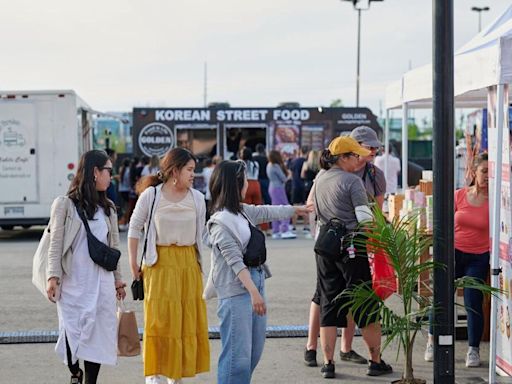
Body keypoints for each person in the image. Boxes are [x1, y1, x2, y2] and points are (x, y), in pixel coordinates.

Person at [203, 160, 311, 384]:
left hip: (256, 279)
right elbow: (234, 260)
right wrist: (253, 292)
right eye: (244, 180)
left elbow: (267, 211)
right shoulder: (220, 221)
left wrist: (298, 209)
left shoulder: (242, 212)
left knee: (253, 352)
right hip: (237, 289)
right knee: (236, 356)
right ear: (235, 184)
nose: (248, 185)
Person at [309, 136, 392, 379]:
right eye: (355, 155)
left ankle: (328, 362)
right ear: (343, 157)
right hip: (352, 248)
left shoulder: (319, 179)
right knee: (365, 304)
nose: (359, 159)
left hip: (325, 247)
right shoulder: (352, 182)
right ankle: (375, 361)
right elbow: (366, 221)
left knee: (329, 303)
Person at [127, 148, 210, 384]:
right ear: (175, 170)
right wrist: (133, 263)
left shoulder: (197, 198)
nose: (194, 174)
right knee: (159, 320)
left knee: (184, 321)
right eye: (190, 170)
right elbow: (134, 228)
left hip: (188, 265)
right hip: (158, 264)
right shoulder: (151, 195)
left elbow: (202, 235)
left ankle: (177, 376)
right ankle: (155, 376)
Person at [46, 149, 127, 384]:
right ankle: (75, 371)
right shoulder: (64, 205)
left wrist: (118, 280)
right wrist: (53, 277)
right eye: (108, 171)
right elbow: (56, 245)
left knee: (97, 338)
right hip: (73, 283)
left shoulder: (108, 208)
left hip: (101, 283)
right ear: (94, 172)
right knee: (71, 333)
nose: (110, 176)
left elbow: (113, 249)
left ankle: (90, 381)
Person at [425, 153, 489, 367]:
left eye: (491, 172)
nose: (487, 176)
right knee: (442, 297)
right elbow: (442, 218)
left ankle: (473, 349)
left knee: (472, 301)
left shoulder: (498, 202)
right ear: (474, 172)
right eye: (484, 171)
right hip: (453, 253)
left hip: (478, 257)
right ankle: (432, 340)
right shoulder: (459, 195)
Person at [266, 150, 296, 239]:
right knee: (285, 207)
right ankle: (284, 229)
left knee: (276, 209)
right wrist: (289, 175)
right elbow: (283, 178)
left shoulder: (269, 165)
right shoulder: (275, 166)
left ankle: (276, 230)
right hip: (278, 188)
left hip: (272, 187)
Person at [290, 146, 310, 237]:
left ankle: (293, 226)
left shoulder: (294, 161)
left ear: (300, 151)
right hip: (304, 186)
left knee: (295, 206)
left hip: (295, 186)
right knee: (305, 206)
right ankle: (306, 227)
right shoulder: (307, 162)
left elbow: (290, 174)